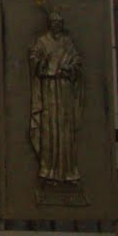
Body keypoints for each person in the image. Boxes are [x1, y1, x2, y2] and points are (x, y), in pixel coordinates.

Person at [27, 10, 84, 185]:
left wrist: (69, 68)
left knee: (64, 128)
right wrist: (43, 64)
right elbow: (34, 58)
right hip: (49, 87)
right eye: (54, 22)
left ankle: (68, 171)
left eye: (59, 22)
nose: (56, 25)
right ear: (49, 24)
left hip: (64, 88)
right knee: (50, 127)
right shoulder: (42, 41)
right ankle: (48, 170)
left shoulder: (67, 41)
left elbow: (77, 60)